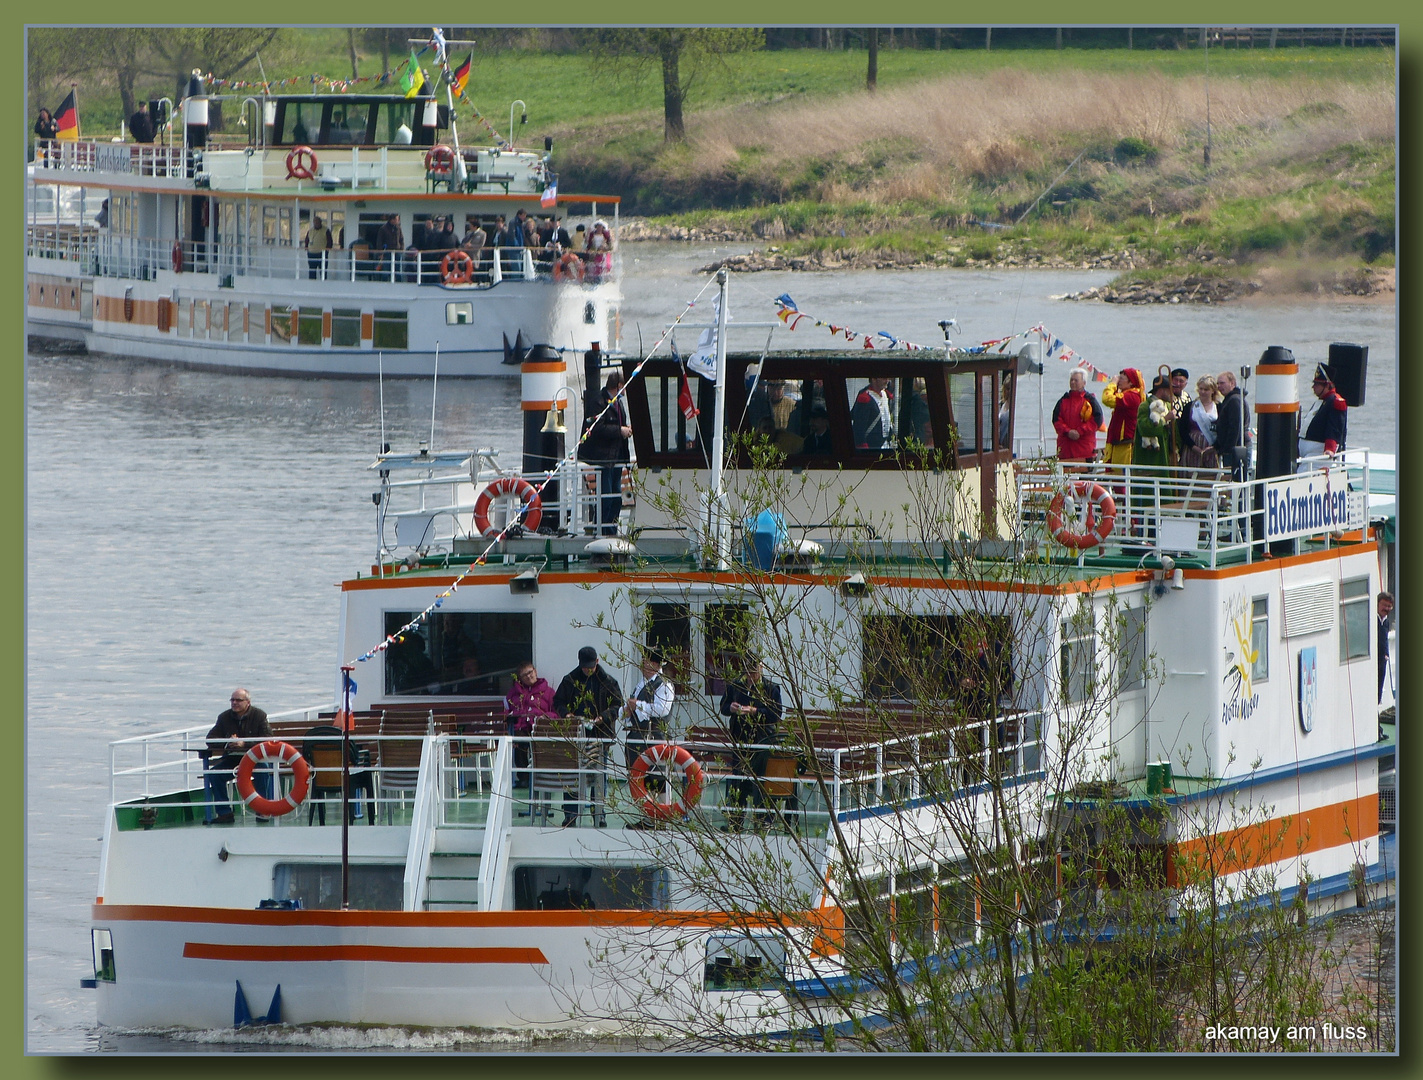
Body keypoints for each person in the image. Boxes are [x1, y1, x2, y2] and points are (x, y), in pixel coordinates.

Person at [552, 647, 624, 827]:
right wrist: (567, 715)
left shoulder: (608, 682)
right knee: (572, 776)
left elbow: (617, 705)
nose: (588, 670)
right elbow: (558, 701)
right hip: (576, 735)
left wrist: (603, 717)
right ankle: (571, 813)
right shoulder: (569, 680)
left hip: (600, 734)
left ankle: (599, 814)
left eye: (591, 667)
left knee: (599, 776)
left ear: (597, 662)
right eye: (585, 667)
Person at [719, 656, 783, 830]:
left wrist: (754, 711)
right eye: (747, 672)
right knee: (738, 779)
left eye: (753, 672)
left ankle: (764, 820)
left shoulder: (770, 688)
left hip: (762, 740)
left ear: (760, 669)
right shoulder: (736, 685)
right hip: (740, 740)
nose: (750, 675)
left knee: (760, 780)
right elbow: (723, 707)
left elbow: (776, 714)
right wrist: (731, 708)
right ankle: (735, 820)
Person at [203, 689, 272, 824]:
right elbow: (210, 739)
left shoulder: (259, 716)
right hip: (233, 759)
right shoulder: (224, 717)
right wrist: (228, 742)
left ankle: (262, 809)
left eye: (238, 700)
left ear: (248, 702)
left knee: (263, 772)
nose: (234, 703)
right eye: (232, 700)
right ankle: (225, 813)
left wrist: (244, 743)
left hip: (254, 758)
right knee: (215, 775)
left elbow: (267, 739)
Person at [580, 368, 631, 535]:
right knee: (606, 497)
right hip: (603, 457)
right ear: (617, 385)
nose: (625, 391)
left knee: (616, 498)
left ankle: (612, 529)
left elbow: (618, 423)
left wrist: (626, 430)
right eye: (623, 387)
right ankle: (601, 529)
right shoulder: (599, 402)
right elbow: (597, 428)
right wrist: (619, 430)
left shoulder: (618, 402)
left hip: (617, 457)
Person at [505, 660, 556, 787]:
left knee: (540, 743)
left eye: (530, 672)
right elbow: (507, 711)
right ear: (520, 679)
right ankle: (523, 778)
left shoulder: (549, 692)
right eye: (524, 675)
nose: (528, 676)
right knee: (519, 741)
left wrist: (545, 717)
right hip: (521, 727)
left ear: (535, 671)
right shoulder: (514, 693)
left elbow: (556, 712)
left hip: (541, 727)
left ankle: (542, 775)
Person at [622, 648, 675, 771]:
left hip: (654, 738)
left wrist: (638, 705)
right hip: (636, 738)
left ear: (655, 665)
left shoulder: (664, 684)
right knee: (635, 776)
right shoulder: (642, 684)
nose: (642, 665)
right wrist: (627, 710)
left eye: (645, 662)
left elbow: (662, 709)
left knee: (655, 779)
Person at [1052, 370, 1103, 462]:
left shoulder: (1090, 401)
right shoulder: (1063, 401)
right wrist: (1068, 431)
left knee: (1085, 476)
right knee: (1064, 475)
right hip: (1065, 448)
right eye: (1071, 380)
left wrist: (1080, 431)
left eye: (1076, 380)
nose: (1072, 382)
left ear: (1084, 383)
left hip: (1085, 448)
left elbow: (1097, 421)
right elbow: (1056, 421)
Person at [1300, 363, 1348, 459]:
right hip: (1307, 453)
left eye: (1316, 384)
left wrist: (1330, 448)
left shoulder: (1336, 402)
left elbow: (1334, 428)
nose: (1313, 387)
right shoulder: (1321, 402)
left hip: (1318, 452)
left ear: (1327, 385)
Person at [1134, 373, 1179, 469]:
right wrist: (1165, 419)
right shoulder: (1145, 406)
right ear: (1161, 390)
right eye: (1169, 390)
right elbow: (1144, 429)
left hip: (1165, 453)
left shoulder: (1167, 406)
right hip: (1150, 457)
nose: (1172, 393)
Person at [1100, 368, 1144, 466]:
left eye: (1122, 379)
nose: (1119, 381)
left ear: (1131, 383)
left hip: (1126, 444)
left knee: (1121, 474)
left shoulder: (1131, 396)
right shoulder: (1127, 394)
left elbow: (1107, 399)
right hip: (1119, 442)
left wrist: (1112, 384)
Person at [1215, 370, 1252, 481]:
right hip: (1236, 447)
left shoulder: (1234, 400)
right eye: (1218, 384)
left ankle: (1240, 498)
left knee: (1236, 481)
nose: (1219, 386)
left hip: (1237, 449)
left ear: (1232, 383)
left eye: (1222, 383)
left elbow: (1235, 428)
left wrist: (1227, 449)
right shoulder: (1230, 399)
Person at [1180, 375, 1221, 470]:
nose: (1202, 392)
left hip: (1211, 449)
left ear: (1213, 391)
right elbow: (1182, 429)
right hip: (1192, 448)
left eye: (1206, 389)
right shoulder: (1190, 406)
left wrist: (1214, 447)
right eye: (1200, 389)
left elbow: (1223, 429)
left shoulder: (1219, 407)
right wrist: (1193, 446)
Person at [851, 376, 896, 450]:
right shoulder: (865, 398)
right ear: (874, 379)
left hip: (885, 445)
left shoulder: (884, 394)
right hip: (871, 446)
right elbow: (859, 428)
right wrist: (863, 448)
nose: (887, 380)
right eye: (884, 378)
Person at [1377, 592, 1394, 704]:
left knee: (1379, 687)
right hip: (1374, 660)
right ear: (1378, 604)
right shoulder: (1373, 619)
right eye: (1384, 605)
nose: (1386, 608)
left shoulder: (1386, 621)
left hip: (1382, 661)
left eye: (1389, 606)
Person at [375, 213, 403, 279]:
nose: (398, 221)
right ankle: (384, 284)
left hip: (397, 252)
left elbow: (401, 239)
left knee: (398, 270)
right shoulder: (383, 228)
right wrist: (380, 253)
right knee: (386, 270)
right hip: (386, 252)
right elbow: (379, 241)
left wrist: (401, 249)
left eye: (398, 219)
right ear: (392, 220)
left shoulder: (398, 228)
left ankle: (399, 284)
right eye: (397, 219)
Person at [303, 215, 331, 280]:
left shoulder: (326, 230)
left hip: (322, 254)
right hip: (311, 254)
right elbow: (307, 240)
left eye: (317, 222)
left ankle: (323, 285)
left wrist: (326, 251)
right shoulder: (310, 231)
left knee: (323, 271)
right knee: (312, 271)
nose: (316, 223)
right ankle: (312, 284)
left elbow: (330, 242)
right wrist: (306, 247)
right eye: (315, 222)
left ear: (321, 222)